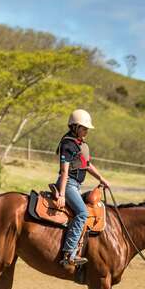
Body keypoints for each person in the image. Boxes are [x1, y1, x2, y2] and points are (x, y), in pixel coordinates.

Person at [55, 109, 111, 266]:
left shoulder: (81, 145)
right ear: (74, 127)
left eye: (87, 129)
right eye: (84, 128)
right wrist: (61, 194)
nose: (86, 131)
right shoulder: (68, 144)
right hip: (68, 185)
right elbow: (65, 171)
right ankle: (69, 254)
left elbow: (87, 165)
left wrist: (102, 178)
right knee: (82, 213)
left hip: (76, 186)